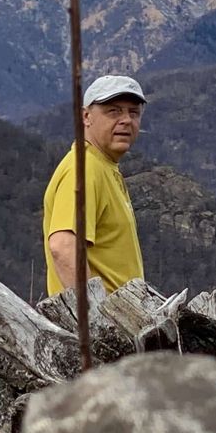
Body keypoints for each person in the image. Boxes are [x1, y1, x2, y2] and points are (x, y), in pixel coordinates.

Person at [42, 74, 148, 296]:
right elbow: (63, 247)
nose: (126, 120)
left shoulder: (103, 166)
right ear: (86, 117)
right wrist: (97, 317)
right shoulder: (84, 169)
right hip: (102, 326)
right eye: (114, 111)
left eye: (133, 112)